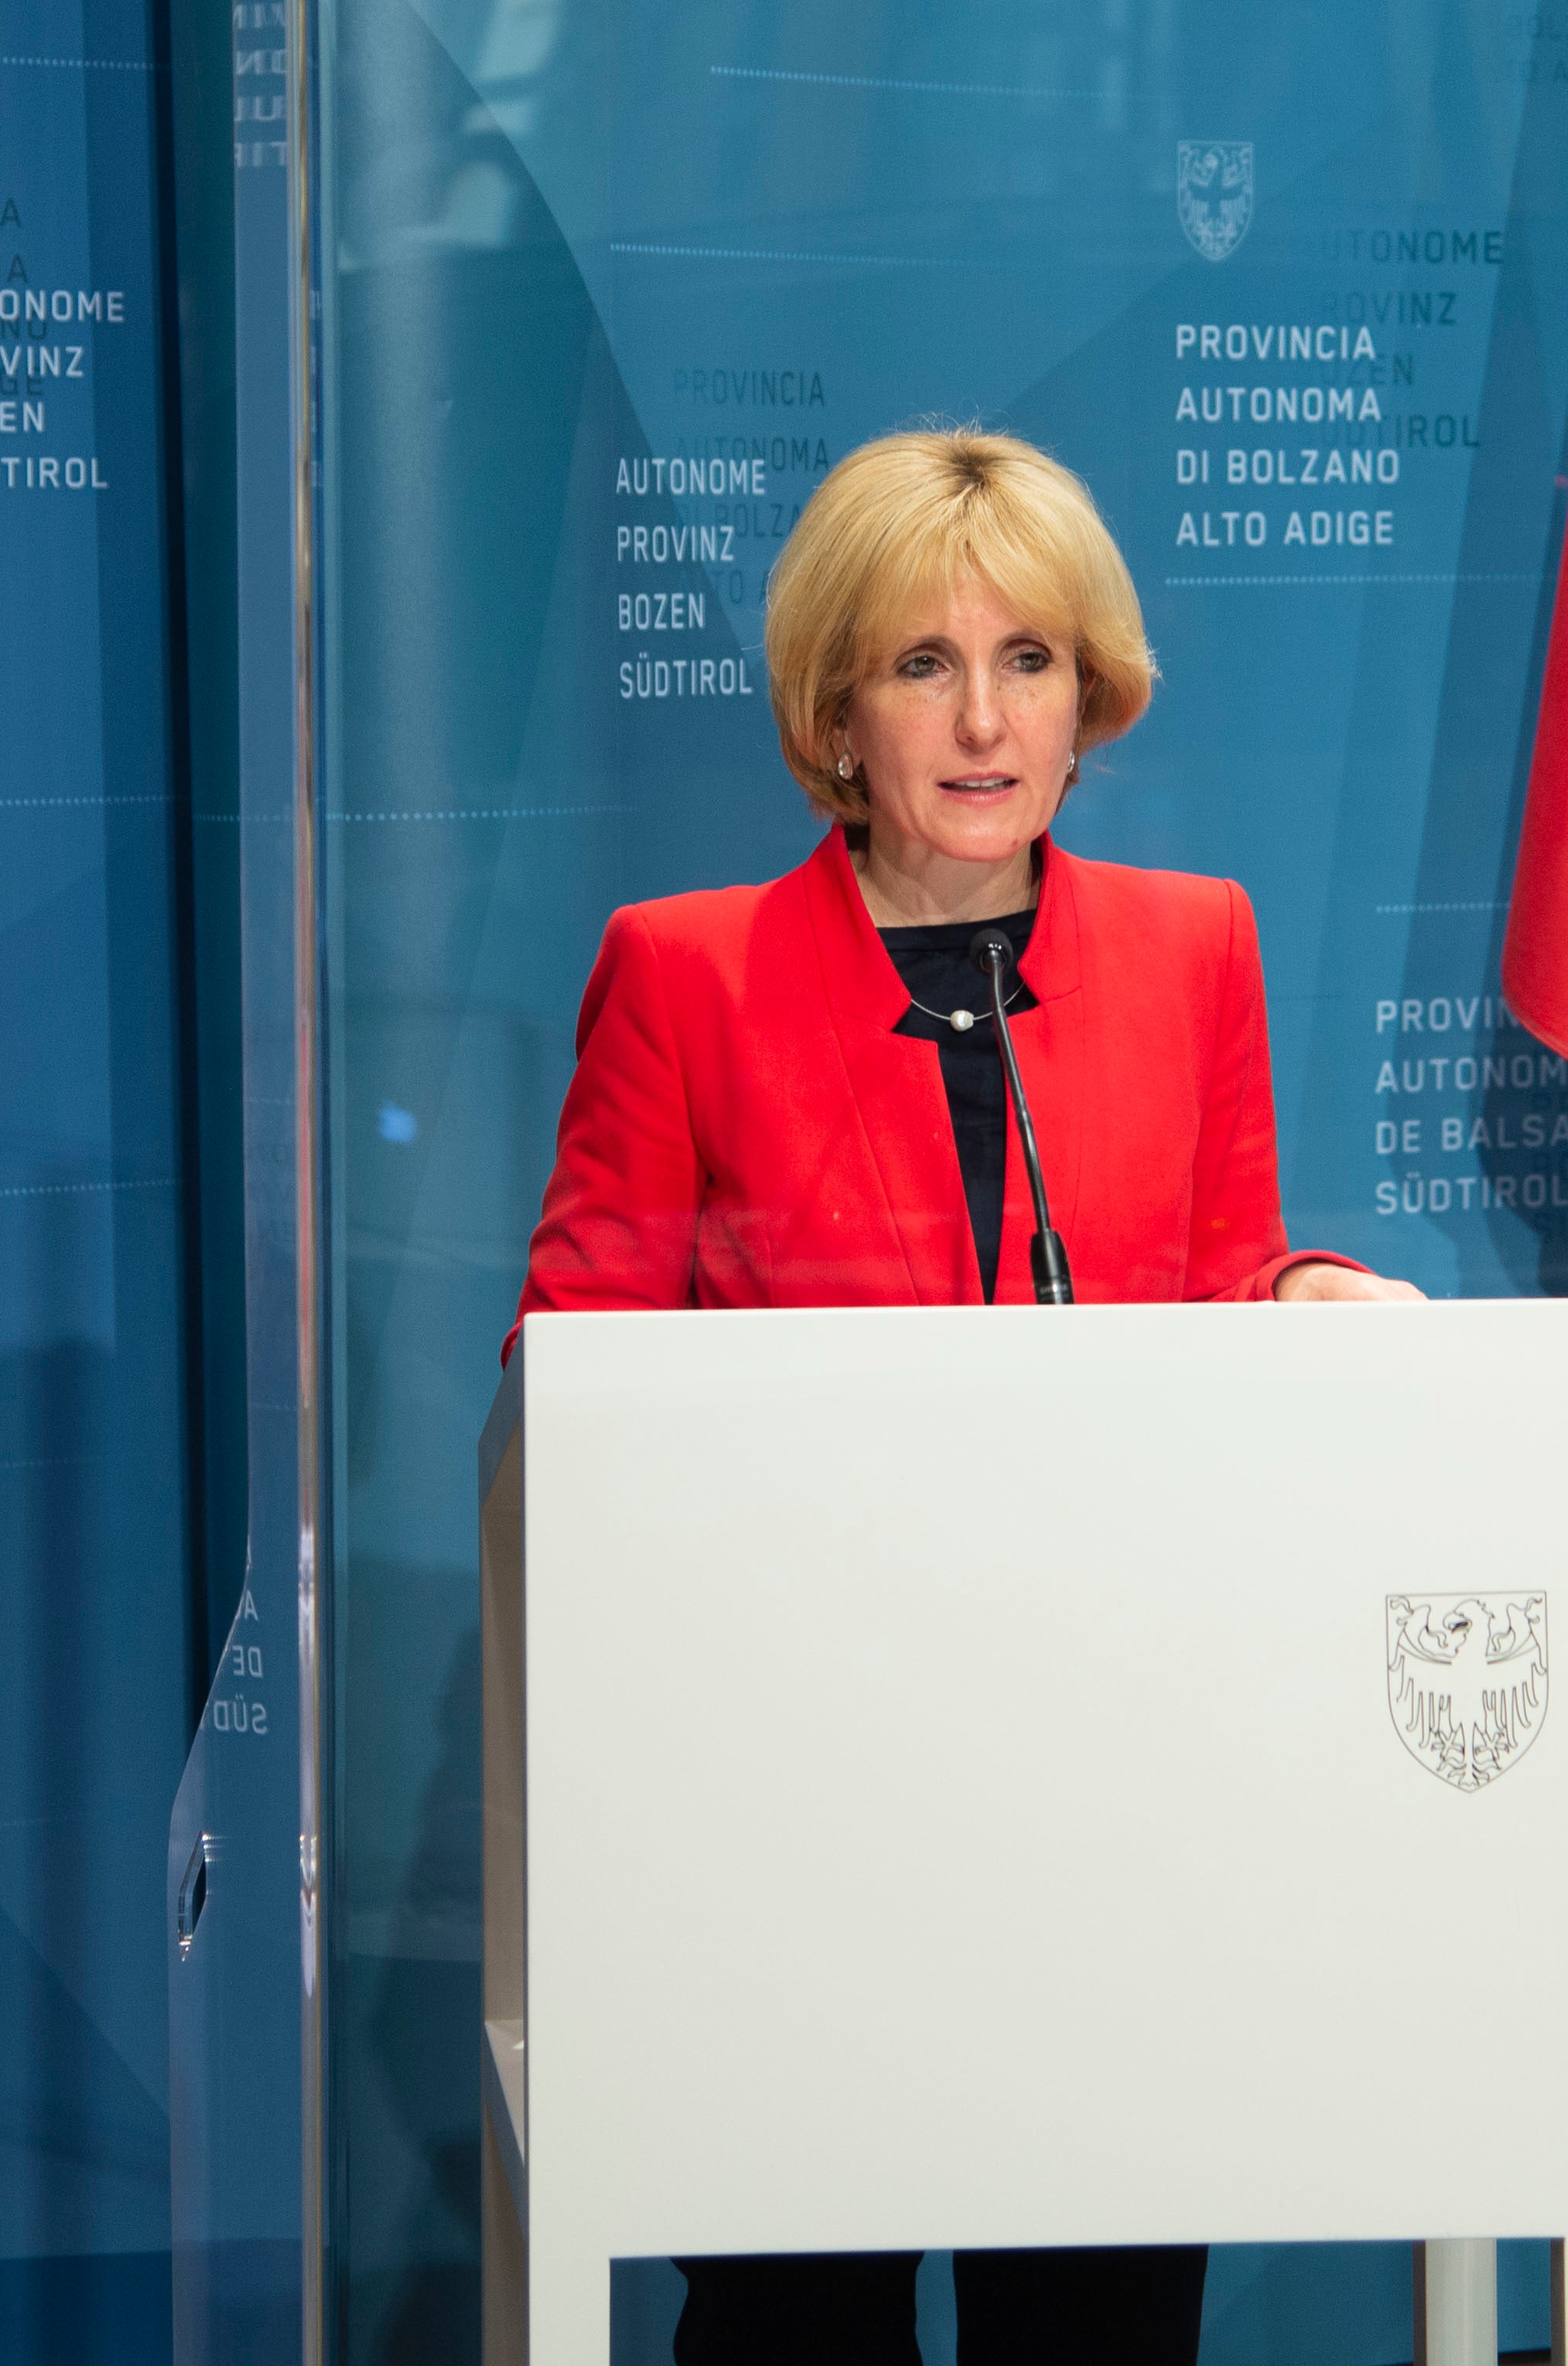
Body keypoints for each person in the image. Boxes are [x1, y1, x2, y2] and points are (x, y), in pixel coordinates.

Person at [513, 426, 1419, 2362]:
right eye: (923, 663)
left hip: (1113, 1793)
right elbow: (567, 1368)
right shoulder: (684, 975)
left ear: (1091, 691)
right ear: (836, 708)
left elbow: (1207, 1276)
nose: (984, 717)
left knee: (1094, 2313)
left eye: (1028, 658)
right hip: (790, 1807)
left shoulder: (1197, 948)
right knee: (797, 2318)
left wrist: (1299, 1291)